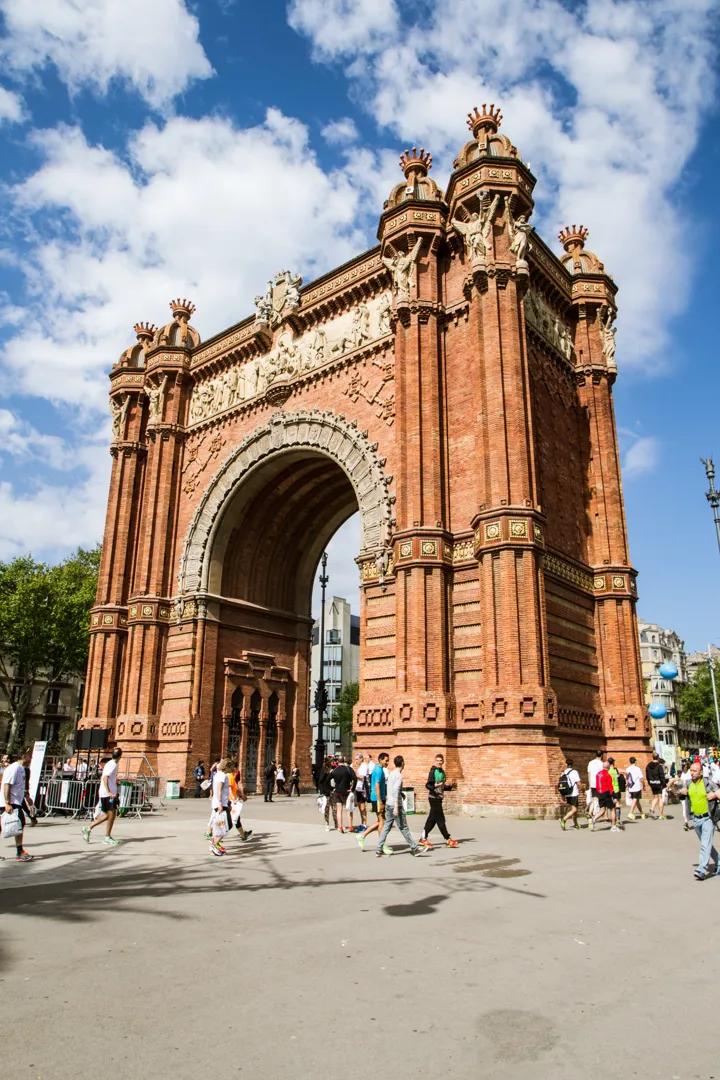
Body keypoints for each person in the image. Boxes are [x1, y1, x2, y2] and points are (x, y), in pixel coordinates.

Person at [670, 760, 720, 880]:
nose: (692, 773)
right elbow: (675, 792)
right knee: (706, 844)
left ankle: (701, 870)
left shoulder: (708, 783)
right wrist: (674, 787)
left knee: (704, 844)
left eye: (694, 771)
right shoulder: (688, 784)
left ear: (701, 772)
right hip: (696, 819)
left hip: (708, 818)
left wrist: (714, 794)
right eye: (691, 770)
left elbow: (718, 790)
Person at [375, 756, 426, 857]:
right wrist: (396, 807)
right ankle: (414, 848)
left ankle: (379, 849)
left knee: (386, 827)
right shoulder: (398, 775)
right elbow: (395, 790)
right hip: (395, 805)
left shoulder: (392, 773)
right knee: (404, 827)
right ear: (402, 763)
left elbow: (392, 788)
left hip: (389, 804)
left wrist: (401, 794)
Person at [82, 747, 122, 846]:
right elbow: (105, 778)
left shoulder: (111, 763)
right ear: (120, 756)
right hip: (107, 794)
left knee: (107, 815)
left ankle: (88, 828)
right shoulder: (112, 764)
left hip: (106, 793)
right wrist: (109, 792)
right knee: (111, 814)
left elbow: (106, 777)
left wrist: (114, 782)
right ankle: (107, 837)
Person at [2, 748, 34, 862]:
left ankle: (20, 851)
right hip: (10, 802)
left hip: (16, 802)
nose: (31, 758)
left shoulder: (22, 769)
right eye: (30, 756)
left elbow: (20, 786)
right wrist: (7, 803)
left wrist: (27, 797)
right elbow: (6, 785)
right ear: (24, 756)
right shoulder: (14, 768)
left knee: (19, 824)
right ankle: (19, 852)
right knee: (20, 823)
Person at [420, 754, 458, 848]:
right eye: (437, 760)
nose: (439, 762)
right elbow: (428, 785)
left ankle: (423, 838)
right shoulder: (433, 772)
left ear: (443, 761)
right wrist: (435, 787)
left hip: (439, 798)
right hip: (433, 798)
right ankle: (448, 839)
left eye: (441, 760)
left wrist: (450, 787)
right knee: (441, 819)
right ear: (435, 761)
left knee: (432, 820)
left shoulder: (442, 772)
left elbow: (442, 786)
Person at [358, 752, 390, 851]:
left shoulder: (380, 769)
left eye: (388, 760)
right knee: (382, 822)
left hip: (379, 798)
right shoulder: (378, 770)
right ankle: (382, 845)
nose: (387, 762)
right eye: (386, 760)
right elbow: (376, 786)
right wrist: (380, 801)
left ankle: (362, 836)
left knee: (380, 821)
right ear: (380, 760)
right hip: (377, 798)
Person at [209, 756, 232, 856]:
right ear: (226, 767)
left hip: (221, 803)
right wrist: (220, 804)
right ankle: (214, 844)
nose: (232, 769)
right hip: (220, 804)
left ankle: (214, 843)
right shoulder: (222, 775)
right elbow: (219, 790)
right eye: (231, 767)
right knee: (225, 827)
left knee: (221, 826)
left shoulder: (218, 774)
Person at [590, 758, 618, 831]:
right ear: (608, 767)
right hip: (606, 793)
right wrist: (614, 797)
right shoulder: (608, 775)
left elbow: (597, 784)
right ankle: (613, 826)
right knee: (612, 809)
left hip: (599, 793)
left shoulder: (598, 774)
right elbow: (610, 787)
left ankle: (594, 819)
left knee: (602, 810)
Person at [330, 755, 356, 833]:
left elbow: (328, 779)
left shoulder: (334, 770)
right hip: (347, 791)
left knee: (339, 809)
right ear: (344, 761)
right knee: (349, 808)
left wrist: (332, 788)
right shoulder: (348, 769)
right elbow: (355, 778)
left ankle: (340, 827)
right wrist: (352, 788)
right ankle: (350, 826)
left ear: (337, 761)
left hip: (337, 791)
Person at [229, 765, 252, 842]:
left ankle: (243, 835)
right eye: (235, 768)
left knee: (236, 818)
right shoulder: (229, 777)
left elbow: (235, 788)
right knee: (229, 821)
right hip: (230, 802)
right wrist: (240, 796)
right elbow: (232, 789)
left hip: (230, 801)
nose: (236, 770)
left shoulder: (228, 776)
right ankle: (215, 838)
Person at [559, 759, 582, 830]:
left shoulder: (563, 773)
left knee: (573, 809)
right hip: (573, 793)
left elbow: (561, 785)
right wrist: (582, 788)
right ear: (572, 765)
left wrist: (562, 796)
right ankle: (564, 819)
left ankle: (575, 824)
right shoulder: (574, 772)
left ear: (566, 764)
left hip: (567, 793)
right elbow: (578, 783)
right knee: (574, 809)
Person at [646, 752, 667, 820]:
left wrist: (650, 782)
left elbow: (647, 775)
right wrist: (664, 784)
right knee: (660, 798)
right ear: (658, 758)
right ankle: (661, 814)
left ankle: (652, 809)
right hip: (659, 783)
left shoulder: (648, 765)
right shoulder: (659, 766)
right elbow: (662, 775)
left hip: (652, 783)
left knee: (655, 797)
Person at [317, 756, 336, 831]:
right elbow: (321, 781)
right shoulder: (324, 770)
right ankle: (327, 824)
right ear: (328, 762)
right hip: (326, 792)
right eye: (332, 761)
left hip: (332, 791)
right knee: (327, 809)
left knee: (334, 809)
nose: (333, 763)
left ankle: (336, 823)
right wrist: (322, 792)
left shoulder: (333, 769)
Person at [607, 757, 624, 830]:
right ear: (613, 762)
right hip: (616, 789)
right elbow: (626, 772)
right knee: (617, 804)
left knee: (611, 806)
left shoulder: (608, 771)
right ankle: (617, 819)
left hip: (610, 790)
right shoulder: (615, 770)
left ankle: (612, 820)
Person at [586, 749, 604, 820]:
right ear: (602, 755)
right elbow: (602, 775)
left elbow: (589, 773)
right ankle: (592, 813)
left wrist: (589, 783)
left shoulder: (590, 762)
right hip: (599, 783)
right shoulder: (601, 764)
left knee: (594, 799)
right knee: (597, 799)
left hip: (592, 783)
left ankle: (590, 812)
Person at [353, 753, 369, 828]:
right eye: (355, 759)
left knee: (363, 807)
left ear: (361, 759)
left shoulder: (364, 766)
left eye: (357, 759)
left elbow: (362, 777)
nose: (355, 761)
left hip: (362, 789)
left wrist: (355, 773)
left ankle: (364, 824)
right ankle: (362, 823)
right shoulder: (358, 767)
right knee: (359, 806)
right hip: (357, 788)